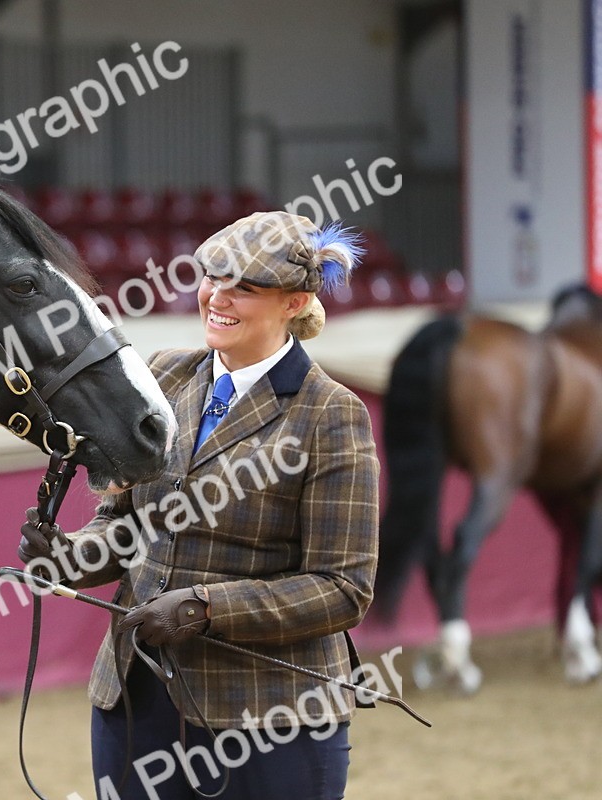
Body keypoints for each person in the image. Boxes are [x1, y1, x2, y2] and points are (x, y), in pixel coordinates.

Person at [19, 211, 379, 800]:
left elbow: (342, 588)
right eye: (214, 277)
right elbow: (124, 528)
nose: (219, 297)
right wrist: (69, 555)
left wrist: (205, 608)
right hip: (138, 704)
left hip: (270, 721)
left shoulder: (330, 414)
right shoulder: (164, 376)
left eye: (246, 287)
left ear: (295, 302)